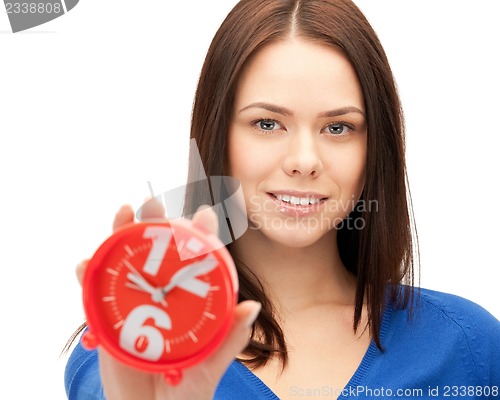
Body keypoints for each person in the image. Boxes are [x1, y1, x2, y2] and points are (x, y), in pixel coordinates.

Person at [63, 0, 500, 399]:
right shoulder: (131, 353)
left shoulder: (470, 348)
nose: (304, 161)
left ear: (374, 150)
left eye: (338, 127)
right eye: (268, 123)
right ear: (217, 134)